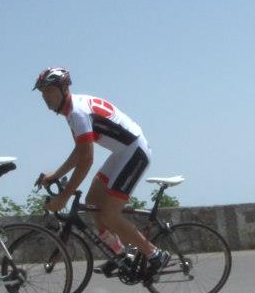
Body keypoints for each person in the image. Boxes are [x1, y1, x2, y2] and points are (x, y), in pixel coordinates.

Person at [32, 67, 170, 278]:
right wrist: (56, 175)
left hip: (135, 152)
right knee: (92, 202)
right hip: (123, 152)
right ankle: (120, 255)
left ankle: (155, 255)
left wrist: (64, 197)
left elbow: (86, 160)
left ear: (64, 88)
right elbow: (80, 151)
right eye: (43, 93)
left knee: (110, 214)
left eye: (49, 91)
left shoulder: (77, 113)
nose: (45, 98)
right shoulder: (71, 111)